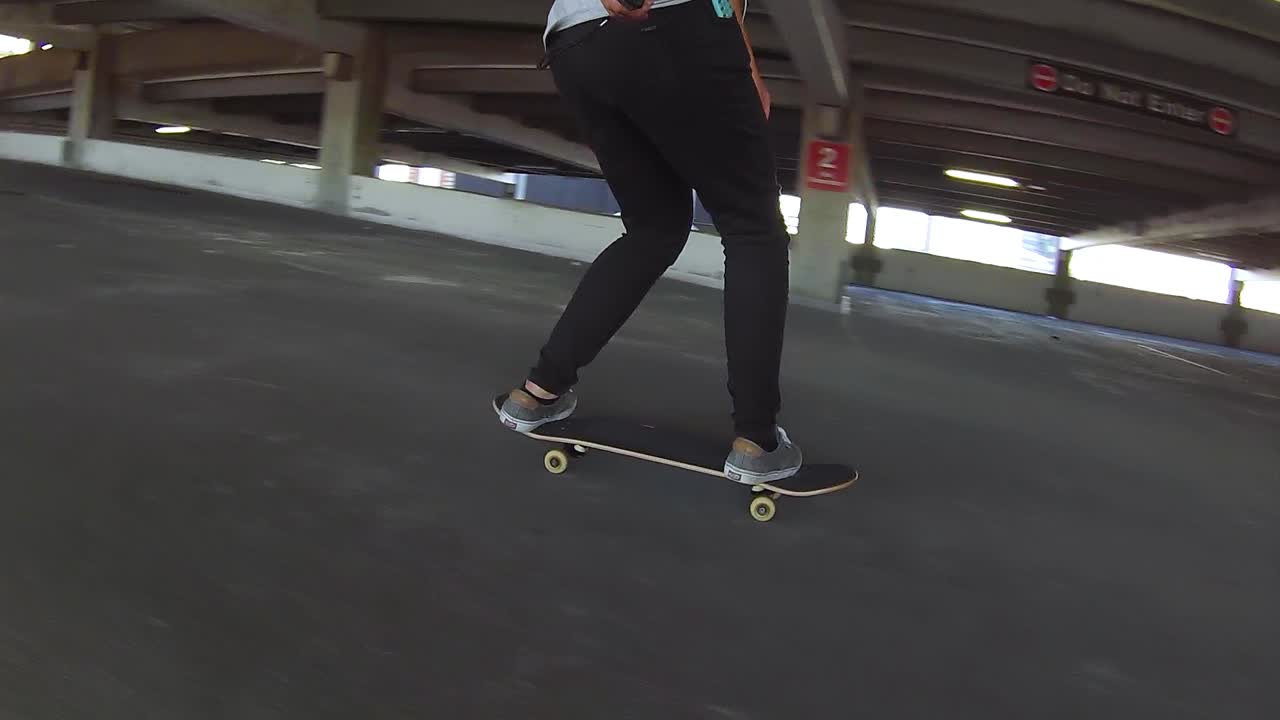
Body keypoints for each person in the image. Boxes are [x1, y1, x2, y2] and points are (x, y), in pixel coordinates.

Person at [497, 0, 801, 483]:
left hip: (577, 47)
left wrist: (748, 66)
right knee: (755, 231)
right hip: (671, 26)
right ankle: (756, 439)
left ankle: (538, 390)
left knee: (654, 228)